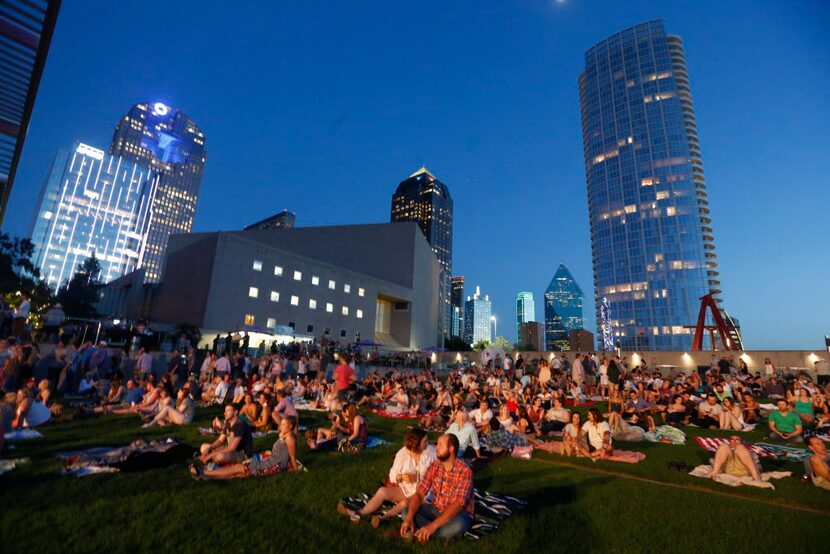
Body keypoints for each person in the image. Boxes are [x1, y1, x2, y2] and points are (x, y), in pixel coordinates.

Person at [339, 427, 437, 526]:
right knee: (382, 491)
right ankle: (359, 513)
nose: (427, 443)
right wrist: (401, 477)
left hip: (424, 495)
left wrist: (418, 479)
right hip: (406, 490)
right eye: (425, 441)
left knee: (404, 503)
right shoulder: (403, 453)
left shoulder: (430, 454)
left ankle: (383, 518)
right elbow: (392, 475)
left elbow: (435, 478)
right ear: (416, 444)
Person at [399, 433, 473, 542]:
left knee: (460, 524)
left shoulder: (465, 471)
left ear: (451, 449)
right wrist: (409, 517)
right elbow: (419, 493)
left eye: (440, 445)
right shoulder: (435, 466)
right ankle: (438, 533)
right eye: (437, 444)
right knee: (406, 512)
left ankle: (426, 531)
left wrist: (432, 526)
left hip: (456, 514)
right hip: (436, 509)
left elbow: (457, 506)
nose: (436, 447)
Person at [192, 416, 299, 479]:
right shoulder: (285, 436)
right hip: (270, 462)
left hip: (274, 466)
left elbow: (292, 457)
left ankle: (202, 472)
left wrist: (295, 471)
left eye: (284, 424)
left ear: (290, 426)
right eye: (281, 424)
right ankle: (206, 475)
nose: (281, 426)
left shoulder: (290, 439)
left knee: (239, 469)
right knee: (239, 472)